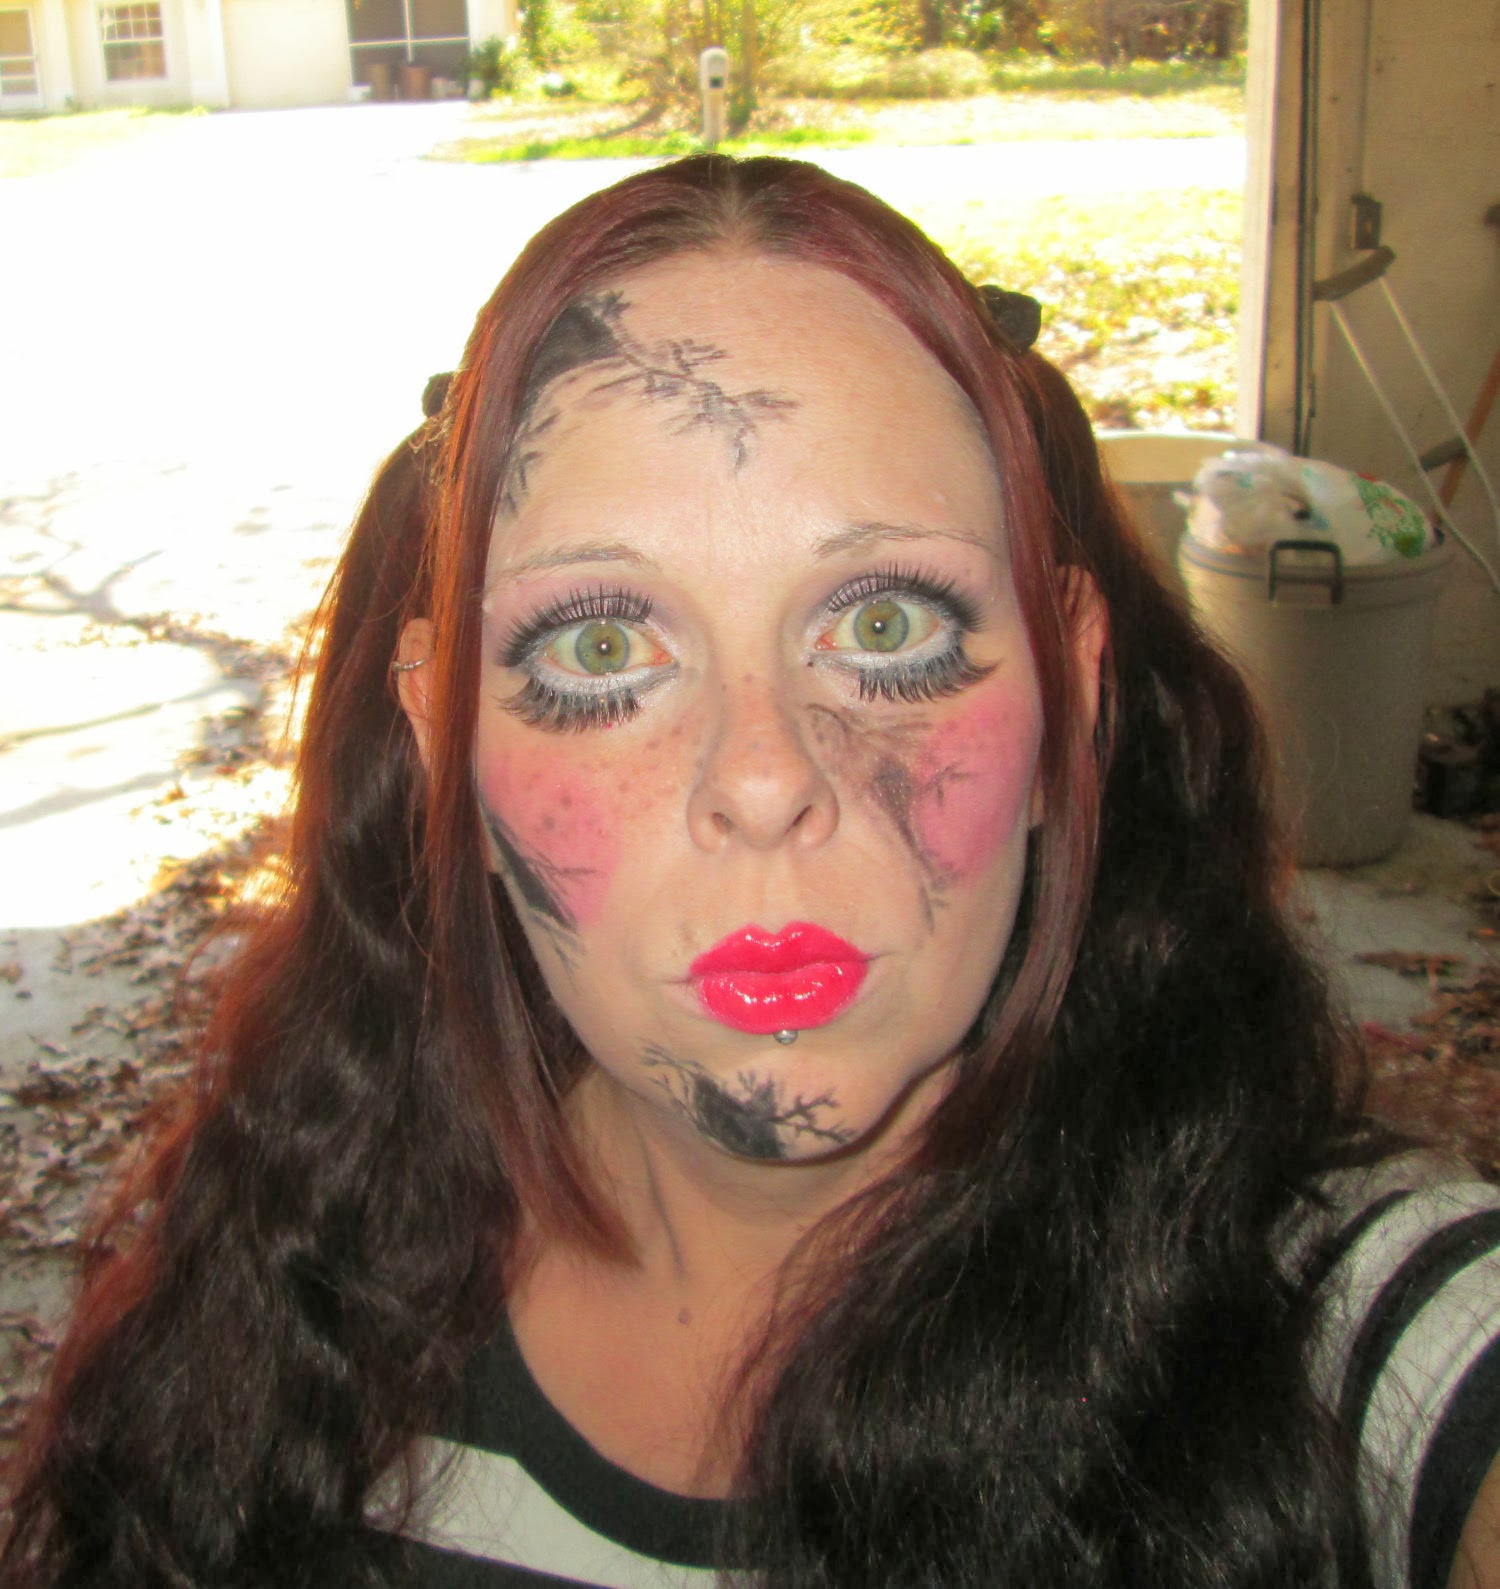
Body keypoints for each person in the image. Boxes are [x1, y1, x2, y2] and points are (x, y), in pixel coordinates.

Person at [3, 154, 1498, 1589]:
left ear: (1072, 697)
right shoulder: (277, 1311)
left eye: (887, 625)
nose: (766, 778)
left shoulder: (1355, 1346)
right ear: (443, 734)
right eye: (602, 646)